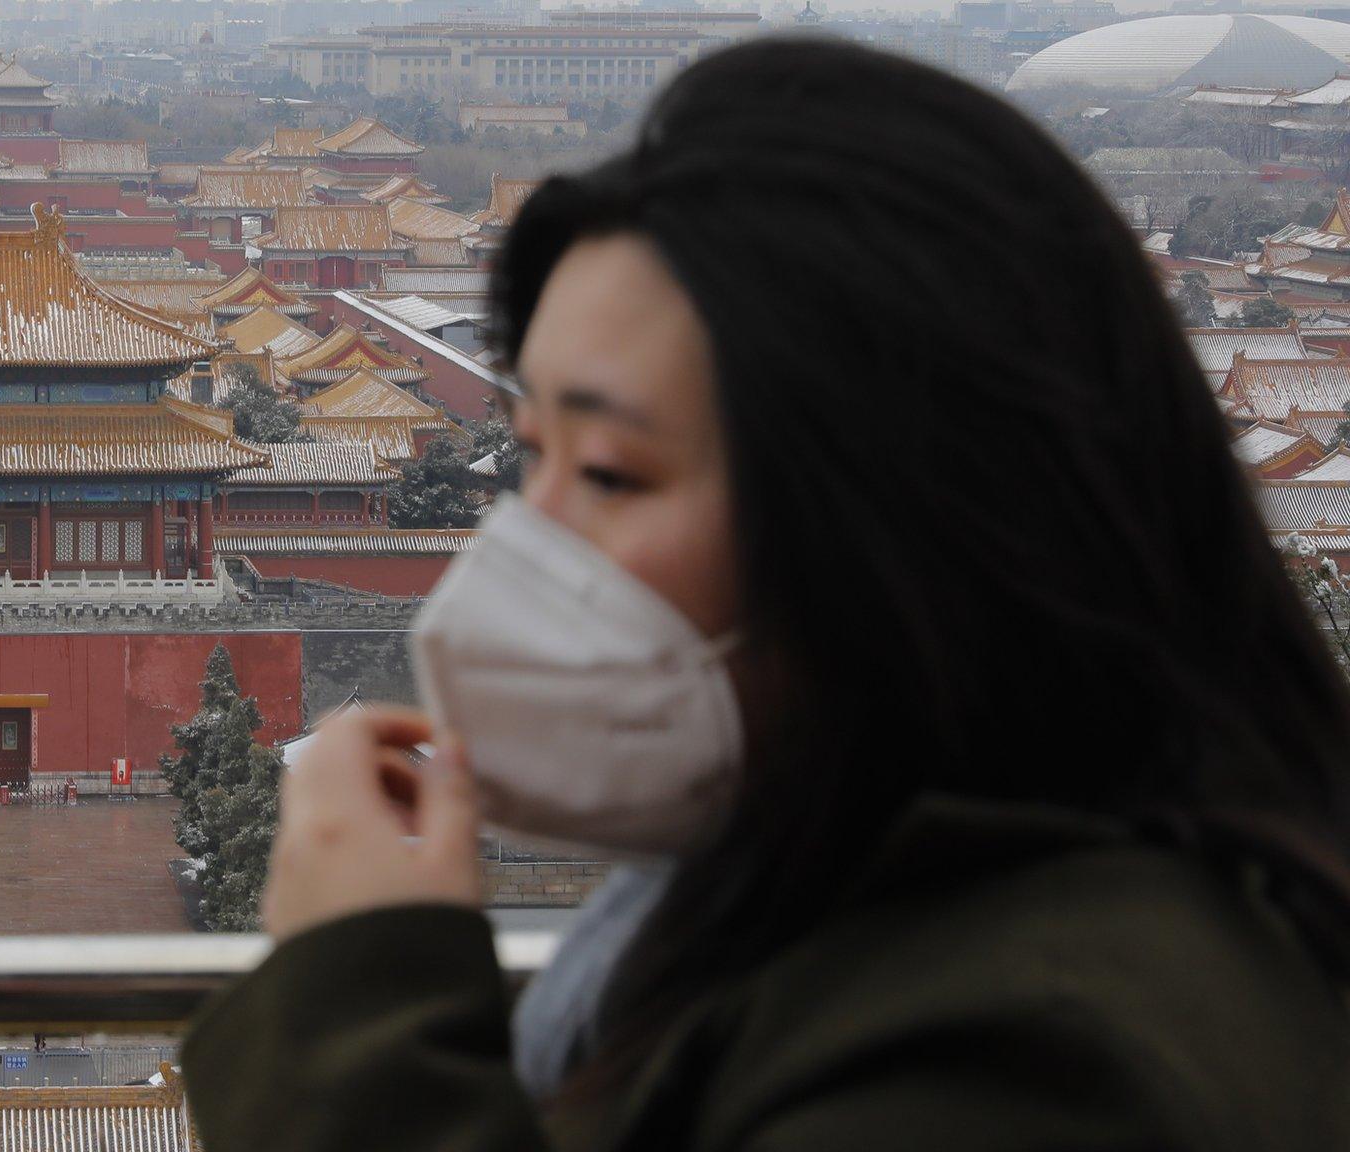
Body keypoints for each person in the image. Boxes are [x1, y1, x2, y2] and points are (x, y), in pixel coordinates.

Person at [180, 39, 1350, 1152]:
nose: (524, 543)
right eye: (524, 456)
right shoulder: (776, 903)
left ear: (905, 512)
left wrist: (363, 1005)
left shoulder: (1040, 1054)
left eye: (608, 473)